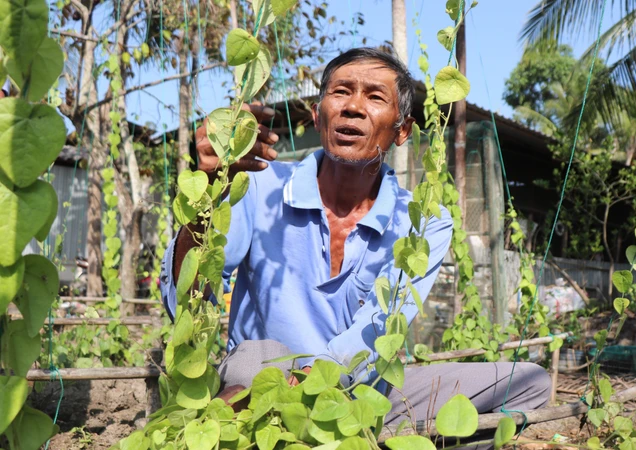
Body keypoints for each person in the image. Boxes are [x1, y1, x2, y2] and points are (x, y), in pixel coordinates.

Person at [161, 47, 550, 424]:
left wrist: (313, 390)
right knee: (262, 358)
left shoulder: (424, 221)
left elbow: (377, 332)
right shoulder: (258, 186)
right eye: (341, 91)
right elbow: (186, 301)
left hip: (354, 389)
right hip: (261, 373)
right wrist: (207, 194)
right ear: (317, 117)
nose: (353, 106)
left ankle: (333, 430)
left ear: (402, 131)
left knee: (528, 383)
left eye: (375, 96)